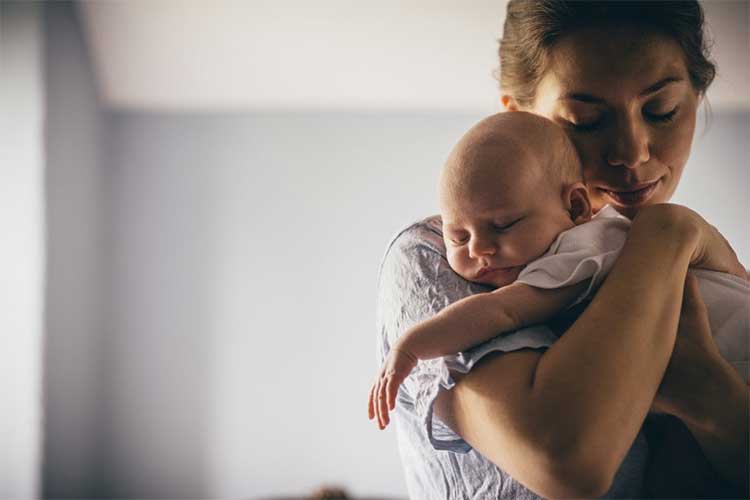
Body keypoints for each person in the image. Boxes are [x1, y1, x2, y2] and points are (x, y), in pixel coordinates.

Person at [374, 1, 749, 498]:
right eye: (586, 120)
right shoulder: (443, 256)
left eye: (663, 111)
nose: (633, 154)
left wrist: (709, 394)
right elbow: (566, 461)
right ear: (521, 118)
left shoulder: (702, 270)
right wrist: (668, 234)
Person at [368, 112, 749, 429]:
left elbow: (502, 310)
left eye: (504, 225)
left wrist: (411, 346)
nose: (479, 248)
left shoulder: (584, 247)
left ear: (577, 208)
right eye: (457, 237)